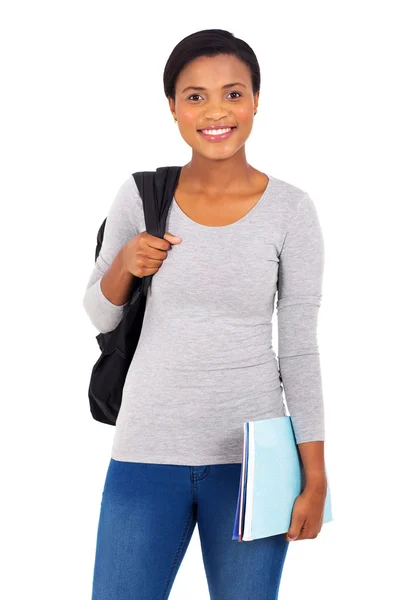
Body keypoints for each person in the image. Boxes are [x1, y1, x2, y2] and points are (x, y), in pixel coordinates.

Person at [83, 28, 328, 600]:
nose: (215, 110)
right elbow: (99, 315)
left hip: (254, 464)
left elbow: (298, 348)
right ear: (172, 107)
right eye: (195, 96)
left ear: (256, 101)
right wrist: (124, 262)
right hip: (145, 450)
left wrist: (314, 475)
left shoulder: (291, 210)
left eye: (232, 93)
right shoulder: (142, 197)